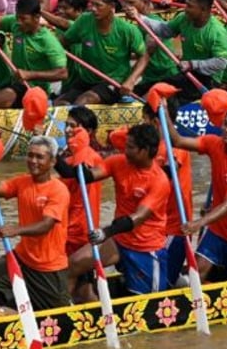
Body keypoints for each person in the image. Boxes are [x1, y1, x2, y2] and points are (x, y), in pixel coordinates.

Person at [61, 124, 170, 296]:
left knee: (145, 301)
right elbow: (87, 176)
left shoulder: (159, 181)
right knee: (72, 264)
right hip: (119, 240)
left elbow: (137, 218)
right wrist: (57, 159)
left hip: (146, 247)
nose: (125, 150)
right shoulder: (118, 162)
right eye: (126, 145)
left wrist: (105, 232)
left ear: (146, 150)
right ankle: (65, 310)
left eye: (131, 147)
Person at [0, 136, 71, 313]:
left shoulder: (58, 190)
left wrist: (15, 230)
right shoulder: (22, 182)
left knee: (56, 316)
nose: (33, 161)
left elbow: (46, 225)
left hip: (48, 266)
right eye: (30, 156)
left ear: (52, 162)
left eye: (39, 157)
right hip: (22, 258)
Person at [127, 0, 227, 103]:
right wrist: (140, 18)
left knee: (169, 98)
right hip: (188, 74)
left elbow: (221, 62)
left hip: (208, 80)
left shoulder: (217, 32)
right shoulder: (184, 18)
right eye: (186, 4)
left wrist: (192, 64)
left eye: (190, 6)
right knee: (149, 88)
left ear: (204, 9)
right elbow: (165, 30)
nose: (185, 9)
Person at [167, 102, 227, 280]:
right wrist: (164, 112)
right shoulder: (214, 144)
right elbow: (178, 141)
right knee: (197, 272)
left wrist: (199, 223)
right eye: (226, 124)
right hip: (218, 230)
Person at [54, 0, 148, 105]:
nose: (93, 9)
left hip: (113, 82)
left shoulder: (127, 30)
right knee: (59, 104)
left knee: (83, 101)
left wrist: (130, 80)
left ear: (112, 7)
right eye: (92, 4)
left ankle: (77, 121)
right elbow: (64, 41)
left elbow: (144, 56)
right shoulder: (84, 20)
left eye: (98, 5)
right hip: (86, 79)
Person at [141, 103, 193, 288]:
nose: (142, 124)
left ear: (155, 122)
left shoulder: (175, 147)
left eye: (144, 120)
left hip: (175, 227)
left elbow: (169, 171)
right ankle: (181, 282)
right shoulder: (151, 146)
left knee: (162, 284)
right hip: (156, 227)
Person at [57, 107, 105, 302]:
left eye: (73, 126)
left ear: (89, 132)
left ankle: (58, 315)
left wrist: (54, 159)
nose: (68, 130)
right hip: (68, 229)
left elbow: (74, 175)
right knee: (83, 289)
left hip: (80, 231)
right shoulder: (69, 158)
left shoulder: (90, 158)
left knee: (66, 279)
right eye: (66, 125)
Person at [122, 0, 180, 94]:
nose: (126, 7)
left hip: (166, 76)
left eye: (131, 3)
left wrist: (130, 80)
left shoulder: (154, 24)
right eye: (125, 2)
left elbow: (147, 52)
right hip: (149, 77)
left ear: (145, 2)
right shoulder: (134, 24)